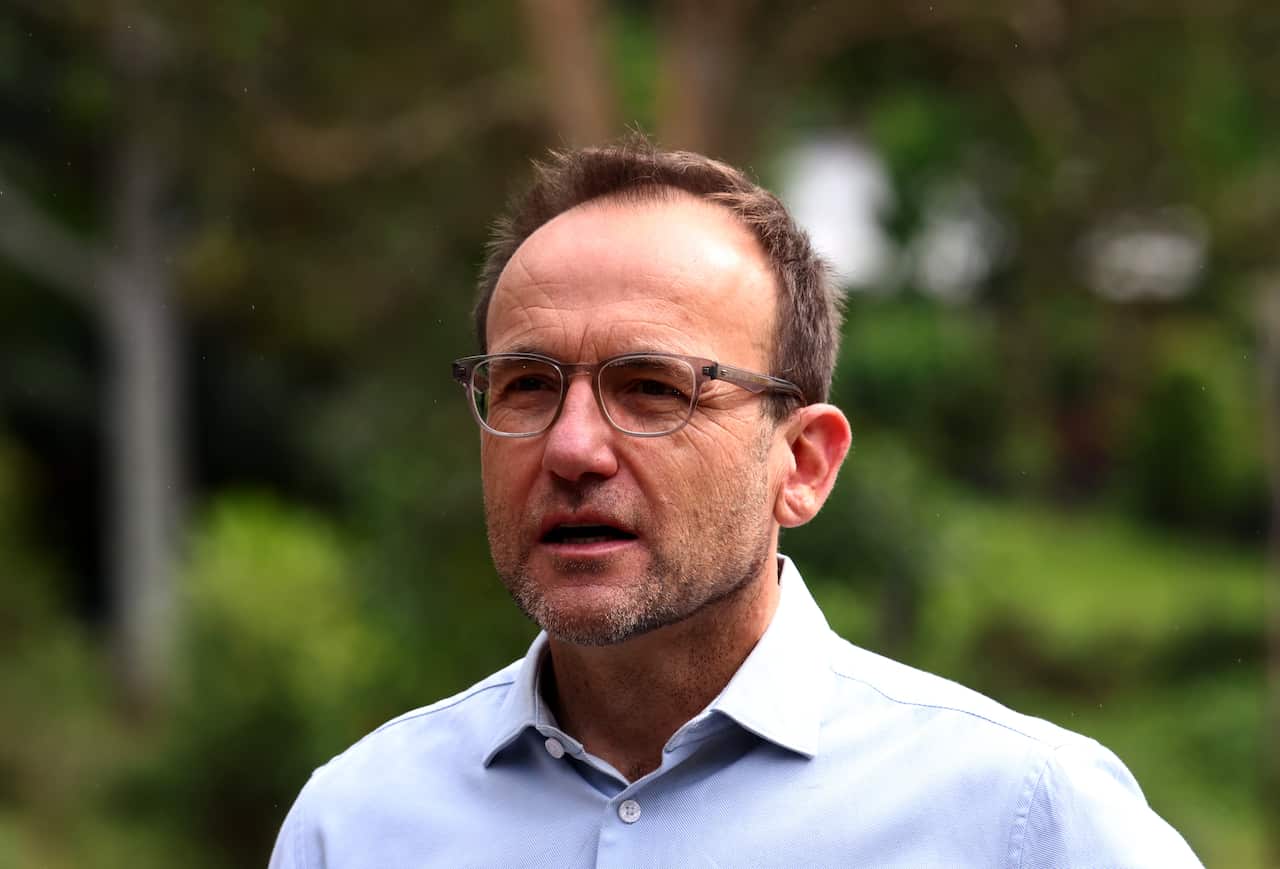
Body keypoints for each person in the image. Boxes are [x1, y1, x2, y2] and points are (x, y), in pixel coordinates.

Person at [269, 139, 1201, 867]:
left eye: (652, 388)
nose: (572, 447)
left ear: (801, 464)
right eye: (525, 385)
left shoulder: (1023, 818)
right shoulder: (353, 826)